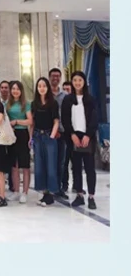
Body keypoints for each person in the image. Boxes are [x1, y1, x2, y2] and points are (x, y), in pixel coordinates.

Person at [62, 71, 99, 210]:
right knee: (76, 167)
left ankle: (91, 196)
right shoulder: (67, 100)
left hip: (88, 136)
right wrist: (72, 134)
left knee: (90, 168)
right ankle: (79, 195)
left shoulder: (90, 99)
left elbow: (94, 119)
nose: (77, 83)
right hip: (73, 137)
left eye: (80, 80)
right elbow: (65, 119)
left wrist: (88, 135)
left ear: (84, 82)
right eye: (75, 80)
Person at [31, 77, 60, 207]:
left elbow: (56, 121)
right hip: (37, 136)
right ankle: (44, 193)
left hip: (49, 135)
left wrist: (52, 136)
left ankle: (51, 194)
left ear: (47, 88)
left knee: (51, 165)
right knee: (39, 165)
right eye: (39, 86)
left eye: (44, 86)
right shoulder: (34, 104)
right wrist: (30, 137)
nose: (42, 88)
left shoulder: (53, 103)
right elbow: (32, 123)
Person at [6, 81, 32, 203]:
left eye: (17, 89)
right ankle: (16, 191)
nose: (15, 91)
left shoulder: (26, 104)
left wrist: (17, 122)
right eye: (13, 89)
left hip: (22, 134)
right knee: (14, 165)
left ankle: (25, 192)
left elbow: (30, 121)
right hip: (11, 135)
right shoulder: (7, 104)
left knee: (25, 165)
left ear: (21, 91)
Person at [49, 68, 69, 199]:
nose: (55, 78)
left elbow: (68, 114)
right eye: (53, 76)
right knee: (50, 162)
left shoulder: (65, 96)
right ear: (49, 77)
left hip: (62, 132)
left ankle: (59, 187)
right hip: (48, 133)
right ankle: (50, 187)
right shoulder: (45, 94)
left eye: (57, 76)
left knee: (61, 162)